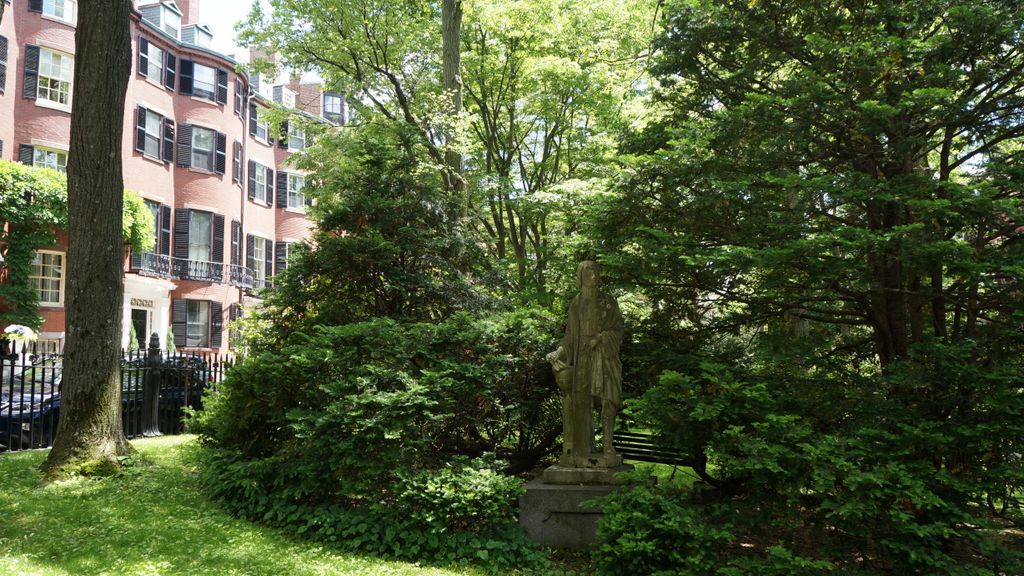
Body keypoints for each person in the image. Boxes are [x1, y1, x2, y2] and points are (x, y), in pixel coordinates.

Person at [546, 260, 623, 467]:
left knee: (608, 399)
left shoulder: (608, 301)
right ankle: (581, 449)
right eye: (588, 272)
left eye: (596, 271)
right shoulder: (576, 303)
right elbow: (570, 336)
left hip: (604, 356)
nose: (594, 275)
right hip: (581, 358)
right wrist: (559, 351)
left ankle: (608, 445)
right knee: (581, 401)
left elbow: (618, 330)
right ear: (580, 276)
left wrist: (600, 338)